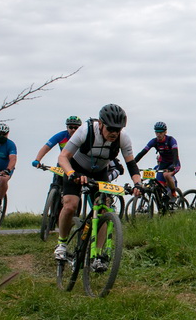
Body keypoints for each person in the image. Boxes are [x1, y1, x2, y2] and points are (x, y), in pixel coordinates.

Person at [54, 104, 142, 266]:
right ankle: (62, 244)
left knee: (103, 208)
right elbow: (63, 157)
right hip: (76, 169)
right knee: (70, 205)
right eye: (110, 129)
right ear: (100, 124)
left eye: (118, 129)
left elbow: (131, 164)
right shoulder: (85, 131)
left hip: (99, 172)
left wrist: (138, 184)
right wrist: (71, 173)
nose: (114, 133)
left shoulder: (123, 138)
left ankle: (98, 256)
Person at [134, 121, 181, 201]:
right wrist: (133, 163)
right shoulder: (154, 141)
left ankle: (173, 192)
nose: (158, 134)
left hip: (174, 163)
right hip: (163, 163)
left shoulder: (171, 140)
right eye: (157, 132)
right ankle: (161, 203)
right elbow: (143, 152)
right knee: (158, 185)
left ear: (165, 132)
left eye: (161, 132)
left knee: (166, 175)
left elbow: (175, 154)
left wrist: (173, 165)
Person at [31, 116, 82, 187]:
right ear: (67, 127)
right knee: (56, 184)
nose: (73, 130)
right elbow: (46, 147)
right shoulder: (61, 136)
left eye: (76, 128)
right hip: (64, 163)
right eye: (71, 127)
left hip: (79, 163)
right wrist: (37, 160)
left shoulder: (83, 136)